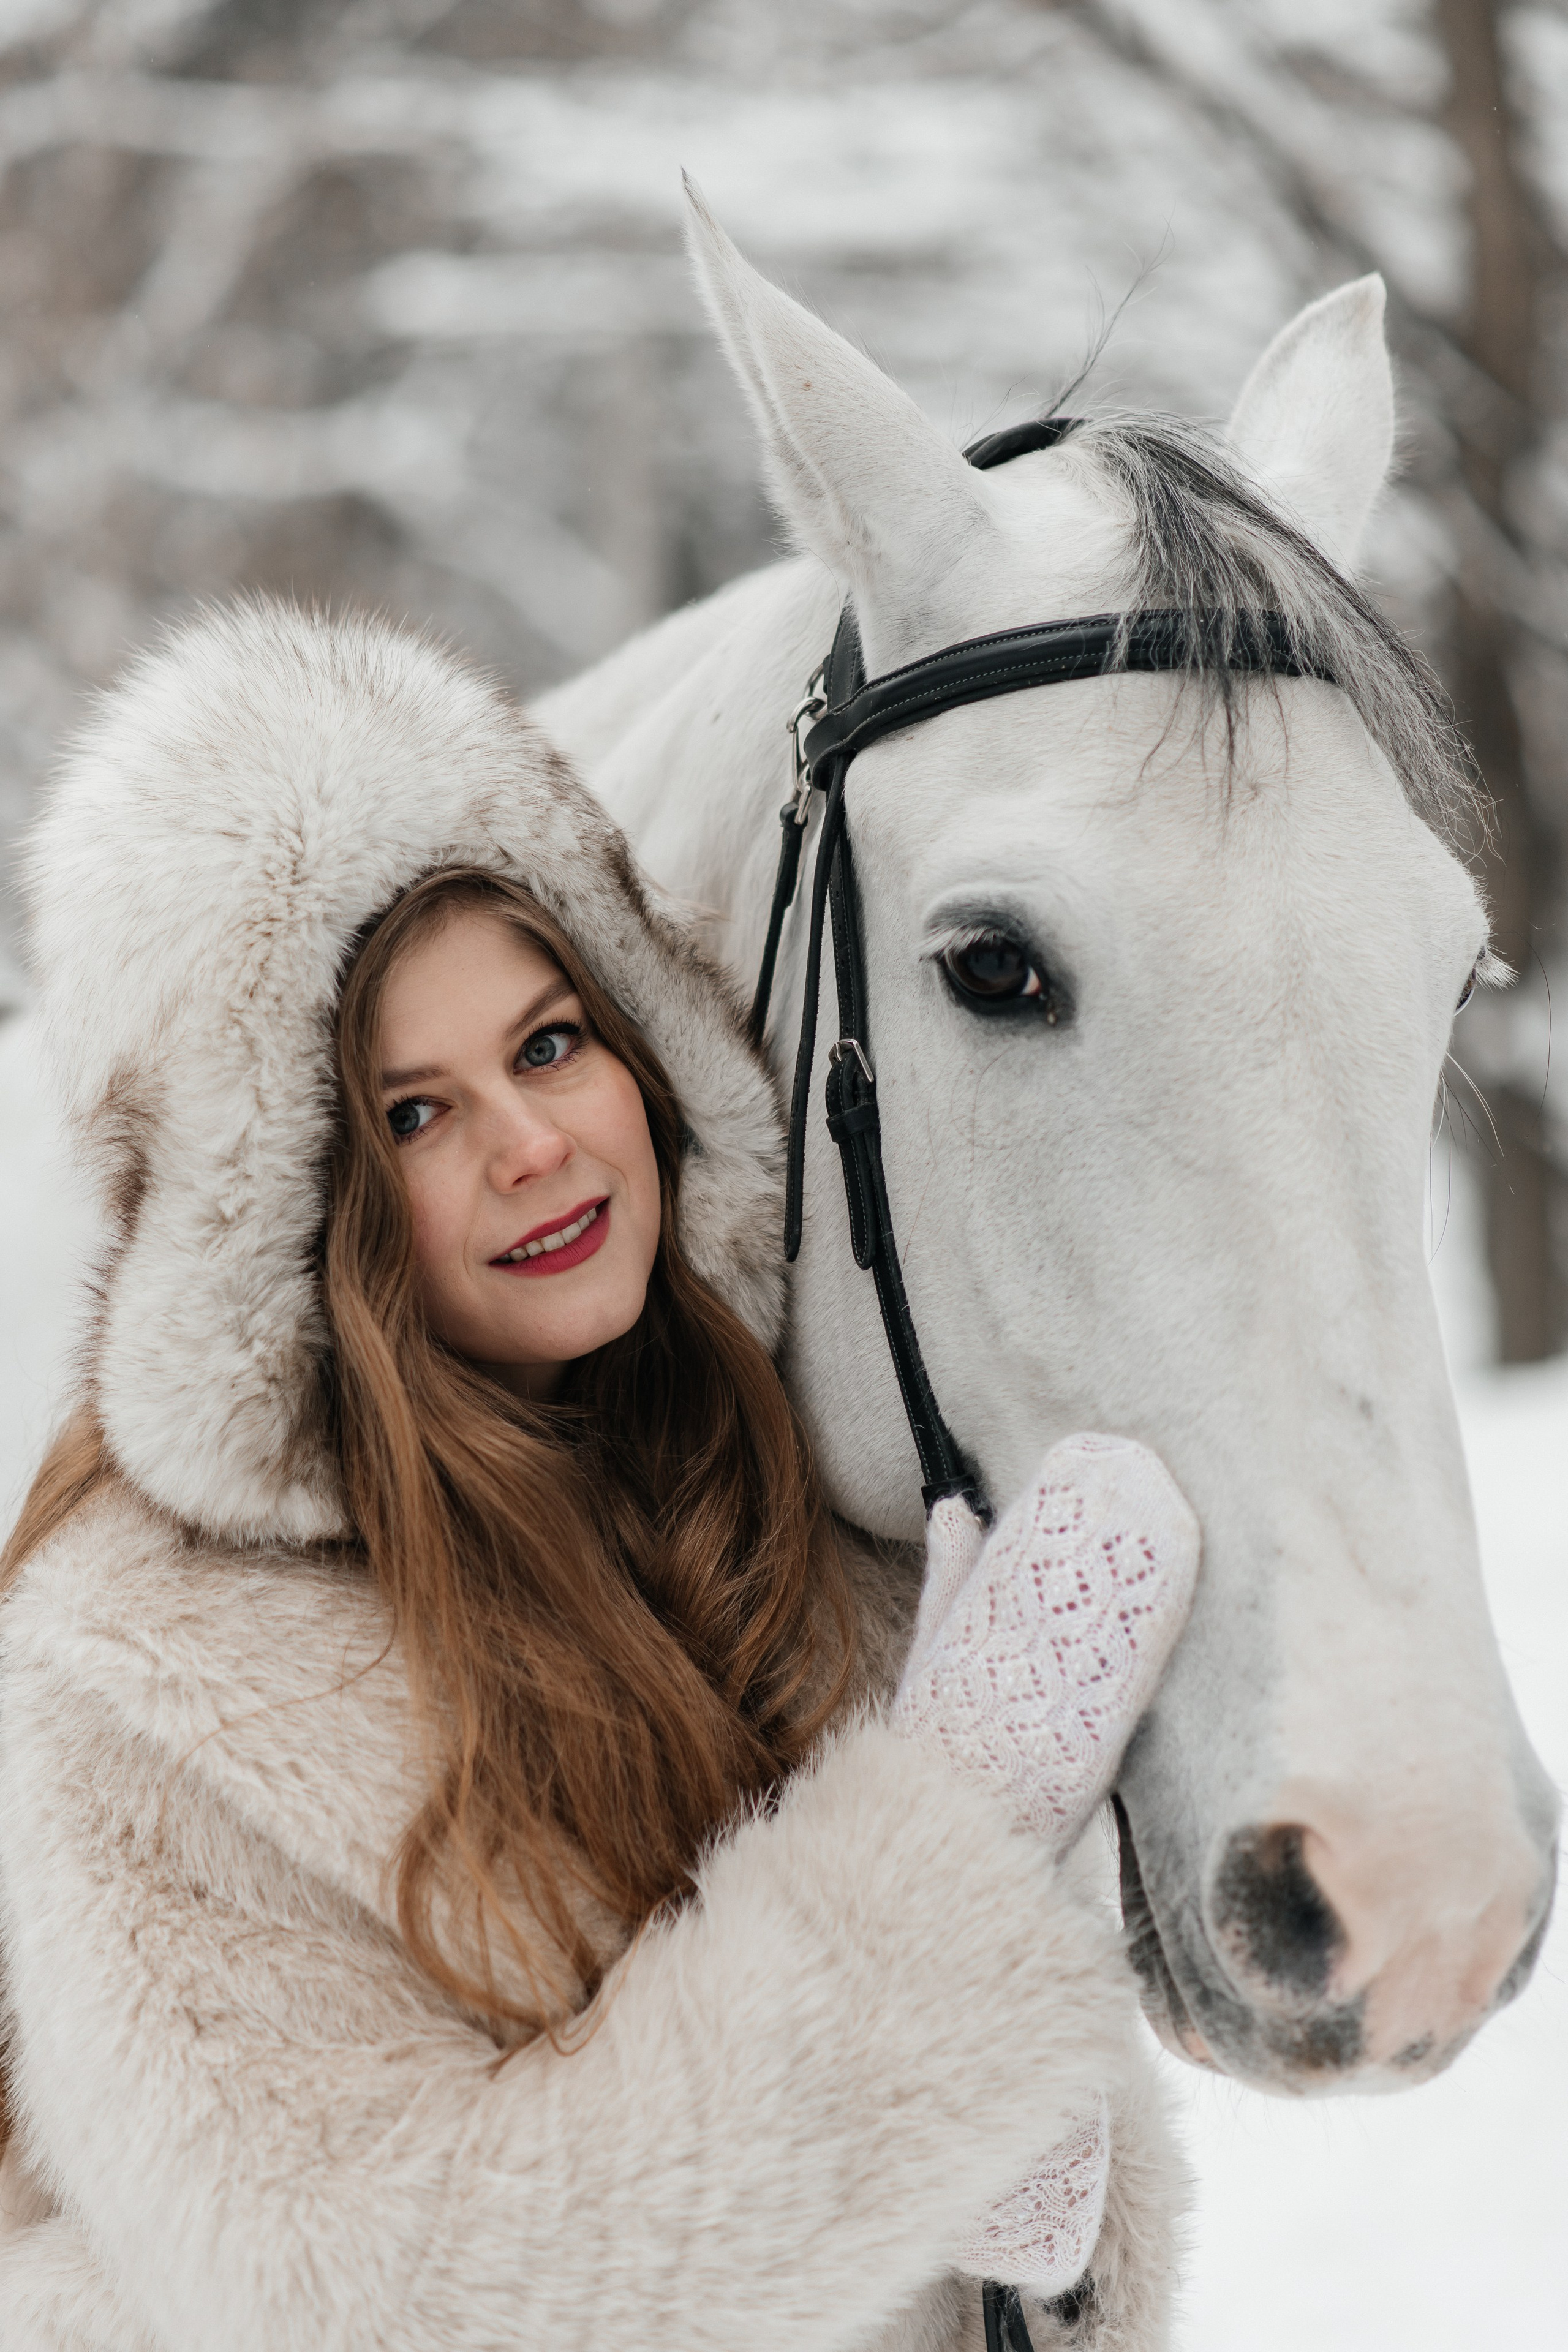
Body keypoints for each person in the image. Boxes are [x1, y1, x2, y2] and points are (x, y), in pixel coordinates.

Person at [0, 604, 1197, 2352]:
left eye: (550, 1042)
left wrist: (1039, 2133)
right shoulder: (149, 1691)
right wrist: (950, 1862)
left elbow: (1009, 2249)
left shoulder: (782, 1497)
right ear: (295, 1222)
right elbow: (376, 2296)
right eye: (414, 1114)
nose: (531, 1143)